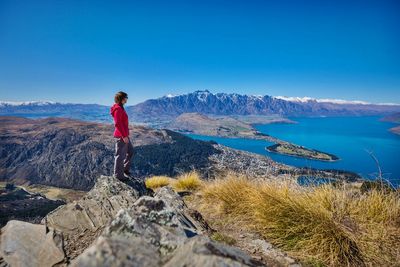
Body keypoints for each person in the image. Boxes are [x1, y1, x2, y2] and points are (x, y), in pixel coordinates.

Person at [110, 91, 134, 181]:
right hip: (121, 136)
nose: (127, 99)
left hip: (125, 135)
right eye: (126, 97)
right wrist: (124, 136)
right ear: (122, 98)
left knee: (131, 151)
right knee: (120, 156)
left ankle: (125, 169)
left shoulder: (121, 108)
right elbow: (117, 124)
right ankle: (118, 175)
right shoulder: (118, 109)